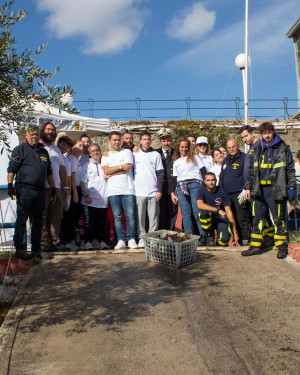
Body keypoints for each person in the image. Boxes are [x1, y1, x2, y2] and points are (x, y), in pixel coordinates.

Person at [242, 122, 296, 259]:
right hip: (259, 190)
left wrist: (291, 187)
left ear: (273, 132)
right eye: (264, 133)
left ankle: (281, 247)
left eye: (269, 132)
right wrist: (248, 187)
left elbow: (290, 169)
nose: (267, 136)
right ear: (261, 134)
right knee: (258, 219)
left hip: (276, 189)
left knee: (279, 219)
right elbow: (252, 172)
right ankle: (255, 246)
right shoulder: (257, 149)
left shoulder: (283, 148)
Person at [7, 125, 55, 259]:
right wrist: (10, 184)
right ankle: (20, 250)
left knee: (38, 221)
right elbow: (12, 168)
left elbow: (49, 172)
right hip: (24, 189)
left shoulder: (43, 151)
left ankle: (36, 250)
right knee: (22, 219)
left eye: (36, 135)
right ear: (26, 135)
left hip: (40, 190)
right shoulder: (20, 149)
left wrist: (54, 188)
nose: (34, 137)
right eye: (32, 134)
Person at [101, 131, 138, 250]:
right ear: (109, 141)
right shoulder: (105, 156)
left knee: (130, 216)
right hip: (113, 190)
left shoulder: (127, 152)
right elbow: (106, 171)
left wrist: (114, 170)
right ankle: (121, 239)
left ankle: (131, 238)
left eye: (118, 140)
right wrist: (120, 166)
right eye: (114, 140)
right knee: (117, 217)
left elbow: (128, 168)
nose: (117, 142)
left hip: (128, 190)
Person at [239, 125, 274, 248]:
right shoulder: (250, 148)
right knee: (261, 214)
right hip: (251, 187)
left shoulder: (260, 145)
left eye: (246, 136)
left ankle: (263, 240)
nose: (244, 139)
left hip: (258, 187)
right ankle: (269, 237)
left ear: (253, 133)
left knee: (259, 214)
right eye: (242, 137)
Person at [40, 122, 69, 251]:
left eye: (52, 130)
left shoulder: (56, 149)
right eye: (48, 129)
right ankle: (42, 242)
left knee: (56, 215)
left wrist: (66, 187)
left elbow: (62, 169)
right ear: (43, 131)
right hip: (42, 187)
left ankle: (55, 241)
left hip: (56, 187)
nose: (50, 132)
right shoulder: (37, 147)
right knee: (42, 215)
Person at [133, 131, 164, 248]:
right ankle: (141, 238)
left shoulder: (156, 154)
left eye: (148, 139)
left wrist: (159, 190)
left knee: (154, 217)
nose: (147, 141)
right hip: (139, 191)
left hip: (153, 191)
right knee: (140, 217)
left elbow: (160, 173)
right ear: (140, 141)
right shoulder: (134, 154)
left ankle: (152, 238)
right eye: (144, 139)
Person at [171, 137, 206, 236]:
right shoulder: (176, 162)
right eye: (182, 147)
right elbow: (174, 179)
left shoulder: (195, 157)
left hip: (195, 185)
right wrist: (173, 193)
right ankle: (188, 236)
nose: (184, 149)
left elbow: (203, 172)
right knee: (185, 214)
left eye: (186, 147)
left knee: (197, 212)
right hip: (181, 187)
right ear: (178, 148)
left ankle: (203, 236)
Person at [219, 138, 252, 245]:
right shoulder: (226, 159)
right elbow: (222, 177)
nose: (231, 149)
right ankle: (237, 238)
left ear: (238, 146)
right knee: (232, 218)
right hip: (227, 195)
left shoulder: (244, 158)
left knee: (242, 216)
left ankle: (246, 238)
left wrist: (246, 188)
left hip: (239, 193)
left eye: (233, 146)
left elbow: (248, 174)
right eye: (229, 147)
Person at [197, 172, 239, 246]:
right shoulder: (201, 191)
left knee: (224, 240)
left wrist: (235, 233)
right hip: (209, 217)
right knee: (203, 214)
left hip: (220, 219)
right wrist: (218, 210)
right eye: (208, 180)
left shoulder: (222, 191)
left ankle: (219, 243)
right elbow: (199, 205)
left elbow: (229, 212)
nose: (211, 182)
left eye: (213, 180)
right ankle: (209, 235)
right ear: (205, 181)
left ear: (216, 180)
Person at [80, 143, 109, 250]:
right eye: (93, 151)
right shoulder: (86, 166)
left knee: (101, 224)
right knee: (89, 223)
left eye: (97, 150)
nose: (95, 152)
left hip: (103, 201)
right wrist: (86, 195)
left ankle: (101, 241)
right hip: (90, 200)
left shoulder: (105, 165)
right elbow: (83, 182)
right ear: (90, 154)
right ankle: (88, 242)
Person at [61, 139, 84, 249]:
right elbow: (73, 178)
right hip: (73, 188)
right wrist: (75, 193)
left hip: (77, 188)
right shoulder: (72, 159)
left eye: (82, 146)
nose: (81, 148)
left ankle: (71, 240)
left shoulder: (76, 159)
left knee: (73, 217)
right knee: (69, 217)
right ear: (73, 147)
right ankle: (68, 240)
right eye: (79, 146)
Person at [156, 128, 178, 230]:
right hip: (160, 189)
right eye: (164, 141)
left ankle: (171, 234)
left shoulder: (176, 153)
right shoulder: (155, 153)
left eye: (168, 140)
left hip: (173, 189)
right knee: (161, 213)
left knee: (172, 213)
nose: (166, 143)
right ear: (160, 142)